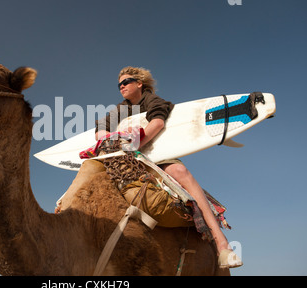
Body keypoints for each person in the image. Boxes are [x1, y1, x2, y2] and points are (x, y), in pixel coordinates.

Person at [95, 66, 242, 269]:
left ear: (139, 83)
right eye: (119, 84)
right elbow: (101, 128)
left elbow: (157, 122)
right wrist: (113, 138)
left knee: (180, 172)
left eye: (126, 82)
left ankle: (221, 243)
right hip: (126, 158)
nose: (121, 87)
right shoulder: (120, 109)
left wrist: (137, 139)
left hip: (156, 154)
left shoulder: (153, 101)